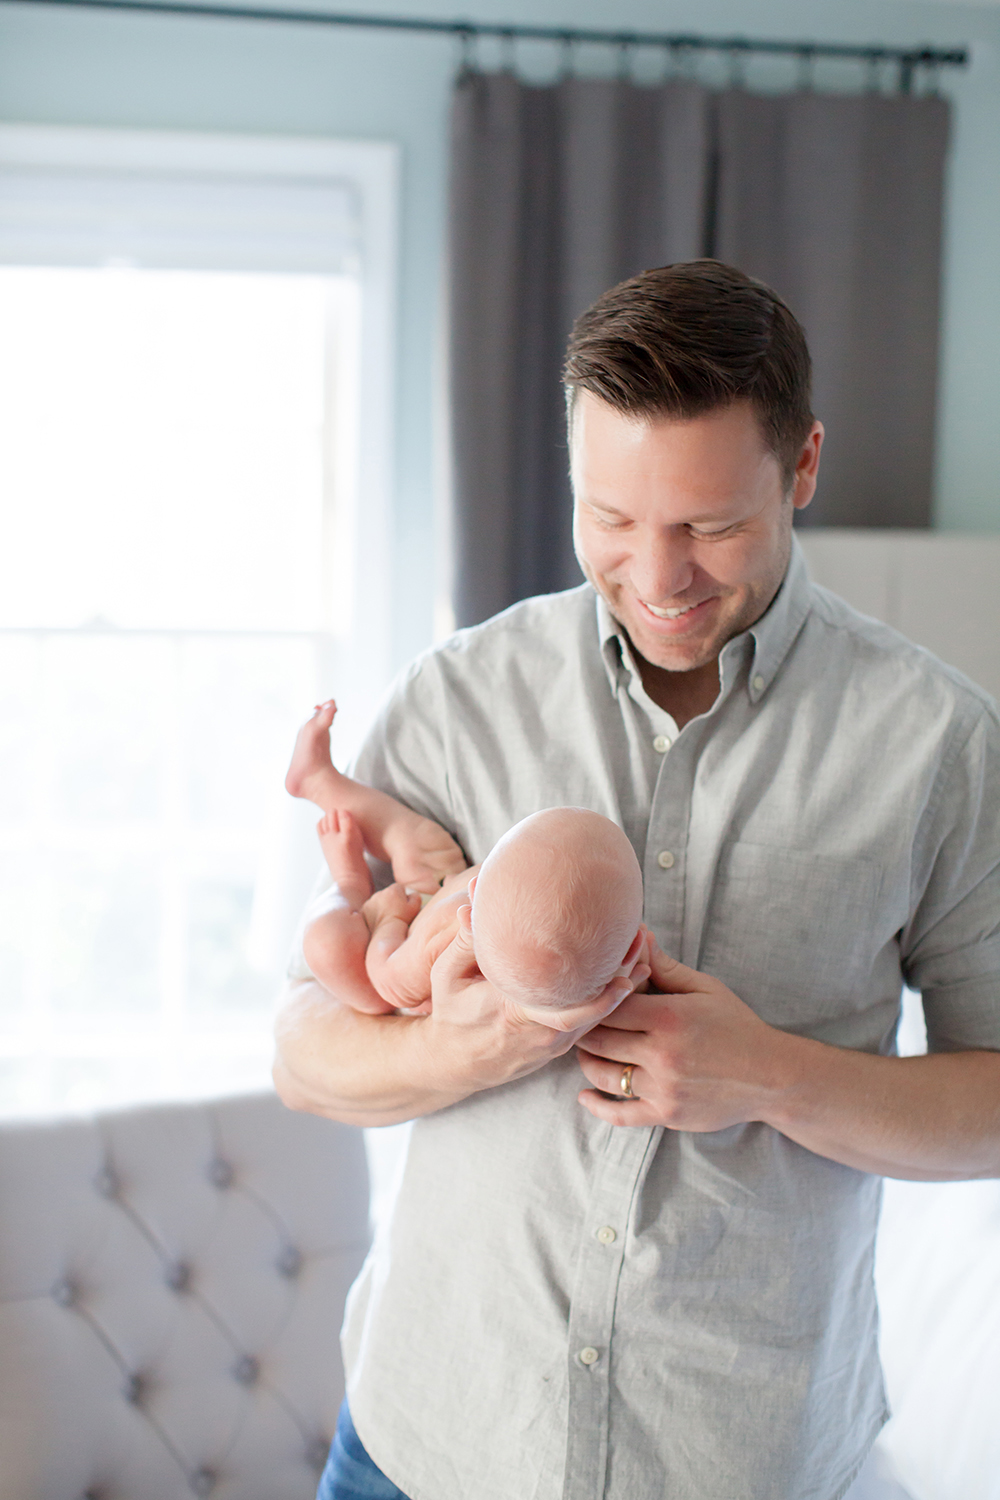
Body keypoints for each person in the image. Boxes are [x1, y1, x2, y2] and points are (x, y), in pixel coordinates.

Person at [273, 260, 1000, 1500]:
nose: (657, 577)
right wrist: (475, 1047)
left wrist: (772, 1075)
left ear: (805, 465)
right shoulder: (460, 700)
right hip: (427, 1439)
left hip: (741, 1459)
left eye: (709, 526)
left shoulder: (938, 748)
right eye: (610, 518)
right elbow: (304, 1054)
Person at [284, 702, 647, 1020]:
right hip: (436, 894)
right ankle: (316, 781)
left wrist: (391, 919)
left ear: (477, 887)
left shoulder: (443, 936)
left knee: (326, 944)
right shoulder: (595, 965)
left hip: (398, 953)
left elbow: (388, 981)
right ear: (632, 947)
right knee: (420, 841)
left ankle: (347, 880)